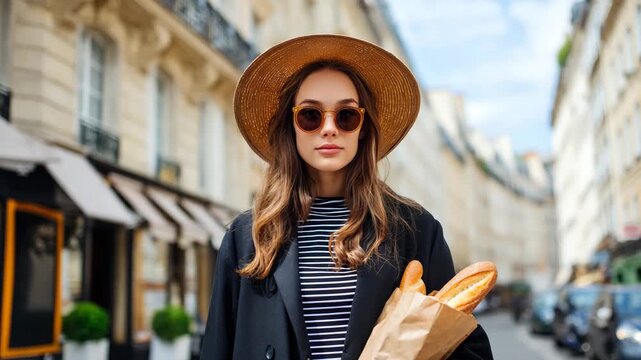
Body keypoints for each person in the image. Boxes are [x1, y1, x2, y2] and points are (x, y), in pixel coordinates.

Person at [200, 34, 493, 360]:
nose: (329, 128)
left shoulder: (414, 230)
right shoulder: (247, 237)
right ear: (291, 126)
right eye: (310, 115)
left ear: (363, 128)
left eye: (346, 116)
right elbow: (217, 348)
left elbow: (467, 348)